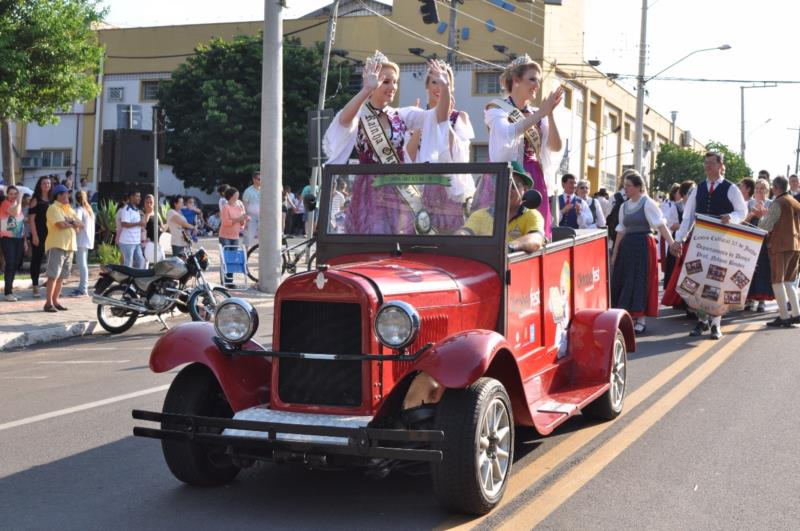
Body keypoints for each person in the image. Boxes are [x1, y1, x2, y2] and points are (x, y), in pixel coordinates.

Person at [323, 51, 453, 234]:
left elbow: (439, 117)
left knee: (401, 243)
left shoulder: (401, 115)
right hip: (370, 191)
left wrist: (445, 86)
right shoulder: (360, 114)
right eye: (386, 82)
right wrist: (366, 90)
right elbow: (343, 121)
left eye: (395, 82)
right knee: (375, 238)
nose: (392, 86)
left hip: (399, 192)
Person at [480, 54, 563, 237]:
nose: (537, 85)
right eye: (532, 79)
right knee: (497, 228)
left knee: (533, 230)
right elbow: (508, 132)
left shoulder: (537, 113)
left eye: (538, 81)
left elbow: (555, 147)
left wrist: (549, 115)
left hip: (532, 178)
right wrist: (541, 113)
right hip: (505, 176)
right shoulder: (496, 108)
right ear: (516, 80)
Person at [667, 151, 748, 340]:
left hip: (721, 241)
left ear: (720, 165)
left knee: (716, 282)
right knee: (698, 282)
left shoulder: (730, 188)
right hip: (700, 242)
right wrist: (680, 239)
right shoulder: (699, 188)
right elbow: (688, 217)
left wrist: (733, 217)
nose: (707, 167)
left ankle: (715, 325)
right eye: (705, 163)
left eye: (711, 163)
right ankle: (702, 321)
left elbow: (742, 211)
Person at [408, 59, 476, 232]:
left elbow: (461, 155)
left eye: (444, 81)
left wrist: (444, 123)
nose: (438, 87)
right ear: (427, 86)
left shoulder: (460, 117)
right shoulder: (417, 116)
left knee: (450, 235)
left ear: (451, 86)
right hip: (424, 186)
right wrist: (418, 128)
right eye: (434, 82)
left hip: (450, 187)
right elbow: (408, 157)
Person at [611, 172, 675, 335]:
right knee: (625, 280)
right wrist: (615, 252)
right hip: (627, 246)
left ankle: (641, 319)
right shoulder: (624, 206)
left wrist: (672, 244)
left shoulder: (647, 203)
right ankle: (629, 316)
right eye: (624, 185)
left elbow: (660, 225)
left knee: (640, 281)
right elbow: (621, 230)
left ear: (638, 187)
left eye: (628, 186)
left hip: (643, 245)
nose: (625, 189)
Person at [457, 161, 545, 253]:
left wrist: (509, 247)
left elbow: (536, 238)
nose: (507, 190)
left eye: (514, 186)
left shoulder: (532, 215)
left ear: (525, 189)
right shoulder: (480, 215)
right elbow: (466, 232)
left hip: (512, 265)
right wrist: (459, 237)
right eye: (502, 185)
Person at [758, 176, 800, 326]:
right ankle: (796, 313)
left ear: (775, 187)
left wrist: (760, 216)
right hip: (795, 245)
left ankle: (784, 316)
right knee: (789, 281)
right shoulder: (795, 201)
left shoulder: (778, 202)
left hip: (780, 246)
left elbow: (765, 226)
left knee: (777, 281)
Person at [44, 184, 82, 312]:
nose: (67, 196)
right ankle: (48, 303)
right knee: (53, 275)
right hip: (57, 245)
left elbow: (81, 225)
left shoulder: (69, 209)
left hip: (70, 246)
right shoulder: (53, 208)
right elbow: (60, 225)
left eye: (67, 193)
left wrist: (70, 223)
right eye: (64, 193)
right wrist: (72, 223)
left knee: (62, 277)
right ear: (58, 195)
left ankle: (55, 301)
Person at [663, 180, 695, 315]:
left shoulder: (695, 206)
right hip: (682, 241)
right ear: (684, 194)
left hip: (694, 242)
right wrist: (684, 226)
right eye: (690, 192)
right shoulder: (676, 207)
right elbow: (671, 225)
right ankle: (681, 301)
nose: (692, 194)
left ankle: (691, 303)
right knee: (680, 273)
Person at [743, 178, 774, 311]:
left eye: (762, 188)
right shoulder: (749, 203)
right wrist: (752, 214)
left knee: (763, 268)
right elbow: (742, 222)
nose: (759, 191)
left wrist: (763, 216)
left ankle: (762, 300)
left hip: (765, 240)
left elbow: (773, 224)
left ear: (767, 190)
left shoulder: (772, 204)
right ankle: (749, 299)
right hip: (749, 239)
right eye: (757, 188)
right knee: (748, 268)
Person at [1, 185, 27, 301]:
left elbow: (21, 224)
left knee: (16, 264)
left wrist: (25, 241)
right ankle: (7, 293)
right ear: (7, 195)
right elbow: (15, 213)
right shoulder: (5, 204)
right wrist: (20, 199)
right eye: (11, 194)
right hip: (7, 238)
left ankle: (10, 291)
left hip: (19, 239)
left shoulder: (18, 206)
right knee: (10, 263)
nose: (13, 196)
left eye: (16, 194)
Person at [27, 176, 52, 297]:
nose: (46, 185)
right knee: (36, 260)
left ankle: (51, 287)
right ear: (39, 185)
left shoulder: (53, 199)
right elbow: (31, 220)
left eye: (48, 183)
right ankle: (35, 287)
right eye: (44, 183)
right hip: (39, 234)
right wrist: (35, 236)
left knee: (52, 261)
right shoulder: (35, 200)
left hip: (52, 235)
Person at [70, 190, 95, 296]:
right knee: (83, 264)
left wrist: (69, 221)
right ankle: (82, 287)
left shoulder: (79, 209)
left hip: (80, 240)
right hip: (87, 240)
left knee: (82, 264)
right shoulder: (89, 210)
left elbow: (78, 223)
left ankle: (83, 288)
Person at [118, 190, 146, 269]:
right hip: (127, 242)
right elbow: (124, 224)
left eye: (139, 196)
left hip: (136, 242)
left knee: (141, 261)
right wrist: (138, 223)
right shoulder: (126, 209)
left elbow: (140, 224)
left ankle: (136, 280)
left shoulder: (137, 209)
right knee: (128, 264)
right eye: (137, 196)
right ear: (131, 197)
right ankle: (126, 281)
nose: (139, 198)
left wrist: (142, 222)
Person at [142, 194, 165, 265]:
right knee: (145, 263)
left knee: (162, 260)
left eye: (151, 202)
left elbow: (162, 226)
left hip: (157, 242)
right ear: (144, 203)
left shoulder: (157, 213)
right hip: (147, 243)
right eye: (147, 202)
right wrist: (148, 214)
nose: (149, 204)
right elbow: (143, 225)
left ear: (154, 203)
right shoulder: (142, 213)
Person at [242, 171, 261, 246]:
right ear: (254, 179)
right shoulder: (248, 191)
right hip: (250, 217)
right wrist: (245, 219)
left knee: (264, 237)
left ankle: (263, 256)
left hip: (262, 217)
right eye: (259, 179)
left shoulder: (265, 190)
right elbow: (244, 206)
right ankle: (246, 254)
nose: (261, 181)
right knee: (248, 237)